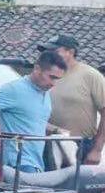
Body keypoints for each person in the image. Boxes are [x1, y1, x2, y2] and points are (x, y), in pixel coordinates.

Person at [0, 50, 68, 173]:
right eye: (52, 77)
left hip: (37, 163)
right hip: (18, 163)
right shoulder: (13, 89)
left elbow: (33, 120)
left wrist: (56, 130)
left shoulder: (45, 92)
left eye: (58, 79)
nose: (54, 83)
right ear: (37, 69)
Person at [39, 35, 105, 165]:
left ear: (71, 52)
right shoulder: (45, 75)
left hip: (80, 146)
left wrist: (97, 149)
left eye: (54, 51)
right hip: (46, 142)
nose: (49, 55)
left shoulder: (90, 75)